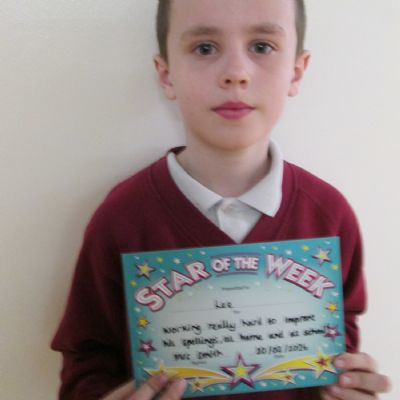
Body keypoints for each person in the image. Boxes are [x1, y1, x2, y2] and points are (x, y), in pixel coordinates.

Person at [51, 1, 391, 399]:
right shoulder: (122, 219)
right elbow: (87, 359)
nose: (236, 73)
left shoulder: (329, 215)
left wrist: (349, 384)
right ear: (166, 74)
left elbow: (339, 341)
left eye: (262, 46)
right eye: (205, 48)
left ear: (297, 71)